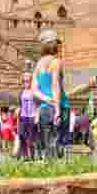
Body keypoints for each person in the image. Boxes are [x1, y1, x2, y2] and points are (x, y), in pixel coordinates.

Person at [31, 29, 65, 159]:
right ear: (54, 45)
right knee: (60, 143)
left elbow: (34, 90)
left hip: (44, 108)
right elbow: (55, 85)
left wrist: (45, 99)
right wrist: (57, 109)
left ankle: (50, 170)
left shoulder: (38, 65)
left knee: (48, 143)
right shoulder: (56, 62)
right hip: (58, 105)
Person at [19, 72, 39, 161]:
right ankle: (25, 154)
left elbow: (39, 104)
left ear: (32, 81)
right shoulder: (22, 91)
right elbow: (21, 104)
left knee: (31, 138)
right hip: (23, 116)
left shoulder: (35, 91)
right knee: (21, 134)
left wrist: (37, 116)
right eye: (24, 81)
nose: (26, 83)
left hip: (32, 116)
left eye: (28, 81)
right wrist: (18, 109)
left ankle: (32, 156)